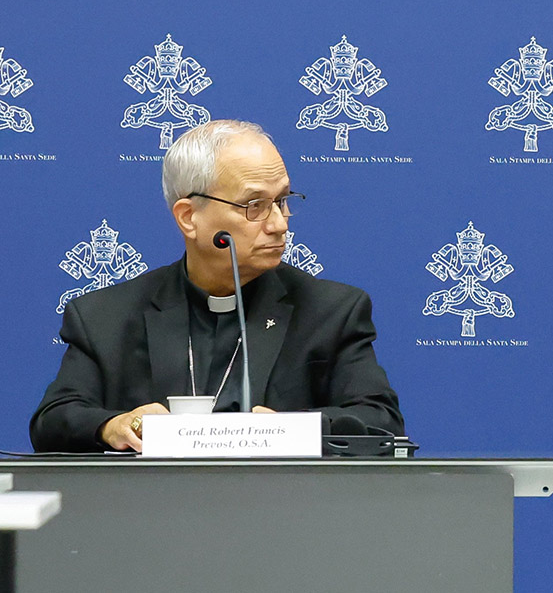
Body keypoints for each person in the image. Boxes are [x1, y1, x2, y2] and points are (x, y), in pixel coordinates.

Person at [31, 120, 403, 453]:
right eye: (254, 205)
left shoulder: (331, 312)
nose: (279, 224)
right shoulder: (105, 317)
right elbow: (54, 419)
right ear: (189, 218)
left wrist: (292, 431)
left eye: (283, 201)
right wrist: (111, 426)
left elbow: (382, 421)